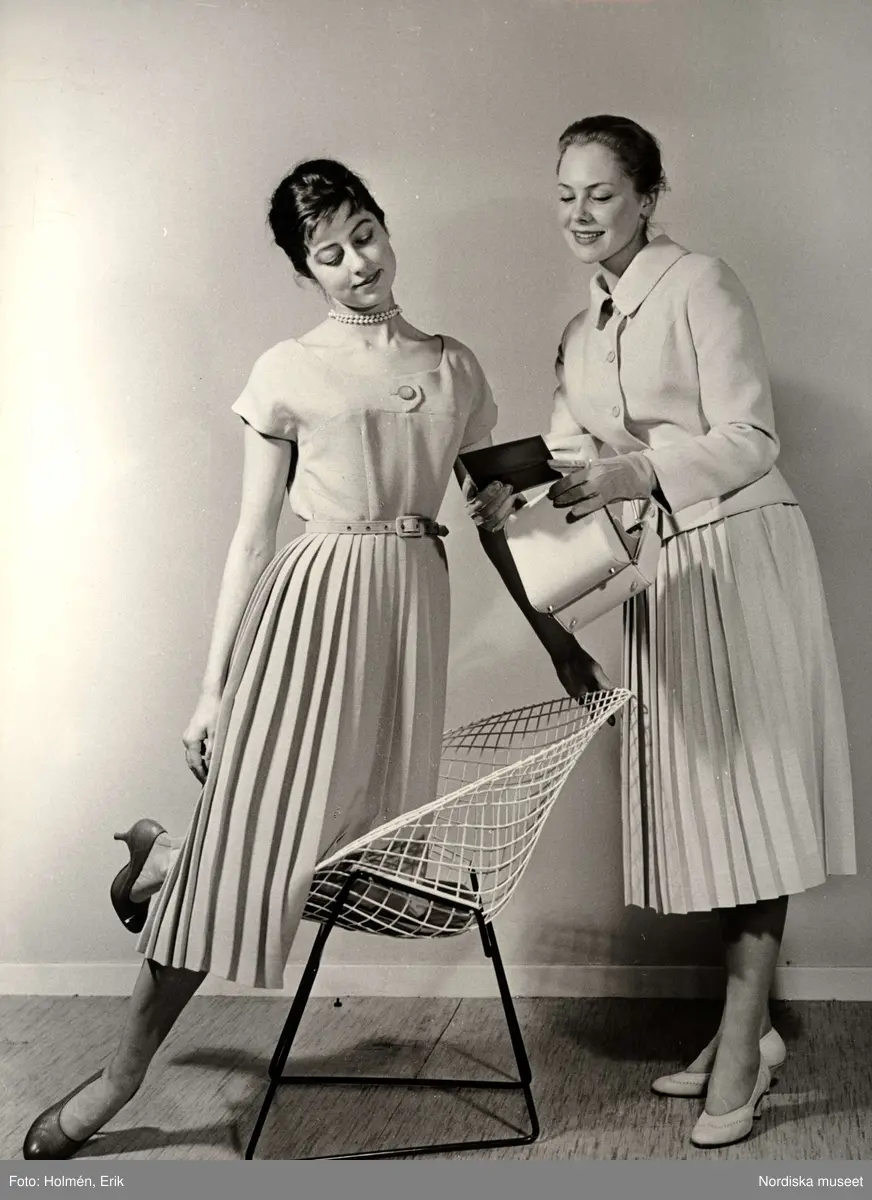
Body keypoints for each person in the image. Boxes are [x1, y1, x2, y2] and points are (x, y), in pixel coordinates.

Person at [23, 158, 596, 1160]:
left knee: (349, 853)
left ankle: (168, 859)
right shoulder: (286, 369)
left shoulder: (454, 367)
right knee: (250, 857)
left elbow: (493, 522)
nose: (356, 263)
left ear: (385, 227)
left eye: (363, 235)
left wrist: (557, 640)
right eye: (328, 254)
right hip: (313, 610)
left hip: (409, 614)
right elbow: (252, 538)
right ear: (305, 270)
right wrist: (211, 691)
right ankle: (117, 1079)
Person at [470, 115, 856, 1149]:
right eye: (564, 197)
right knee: (712, 804)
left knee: (753, 793)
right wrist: (514, 496)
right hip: (664, 572)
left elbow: (750, 435)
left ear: (647, 197)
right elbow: (569, 463)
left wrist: (634, 471)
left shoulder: (700, 284)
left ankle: (742, 1047)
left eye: (599, 194)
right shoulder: (582, 330)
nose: (579, 214)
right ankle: (747, 1027)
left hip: (739, 551)